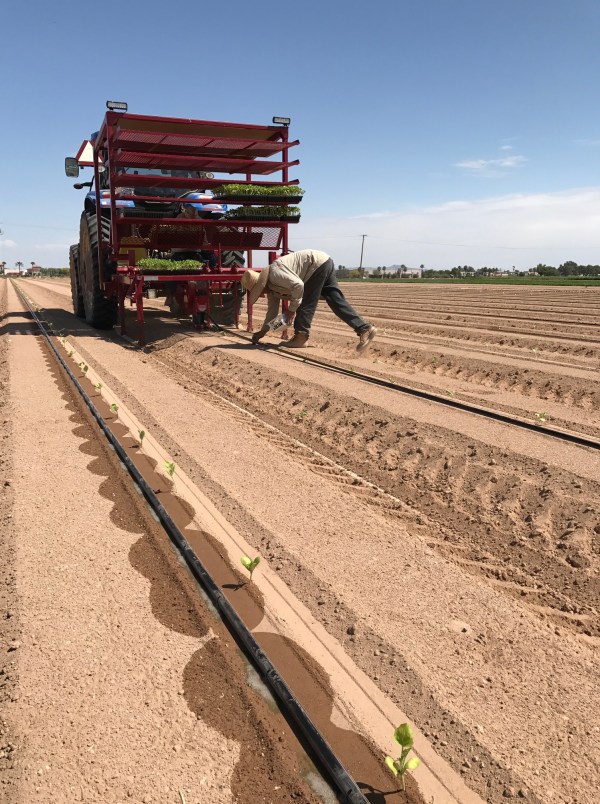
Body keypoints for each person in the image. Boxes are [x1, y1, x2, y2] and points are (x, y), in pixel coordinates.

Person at [241, 249, 377, 350]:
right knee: (335, 300)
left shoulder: (275, 273)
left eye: (259, 291)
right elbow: (272, 312)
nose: (261, 294)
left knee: (305, 302)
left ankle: (300, 337)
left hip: (315, 265)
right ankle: (364, 328)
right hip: (324, 262)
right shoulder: (271, 290)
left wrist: (291, 310)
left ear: (261, 285)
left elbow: (298, 285)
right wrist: (262, 332)